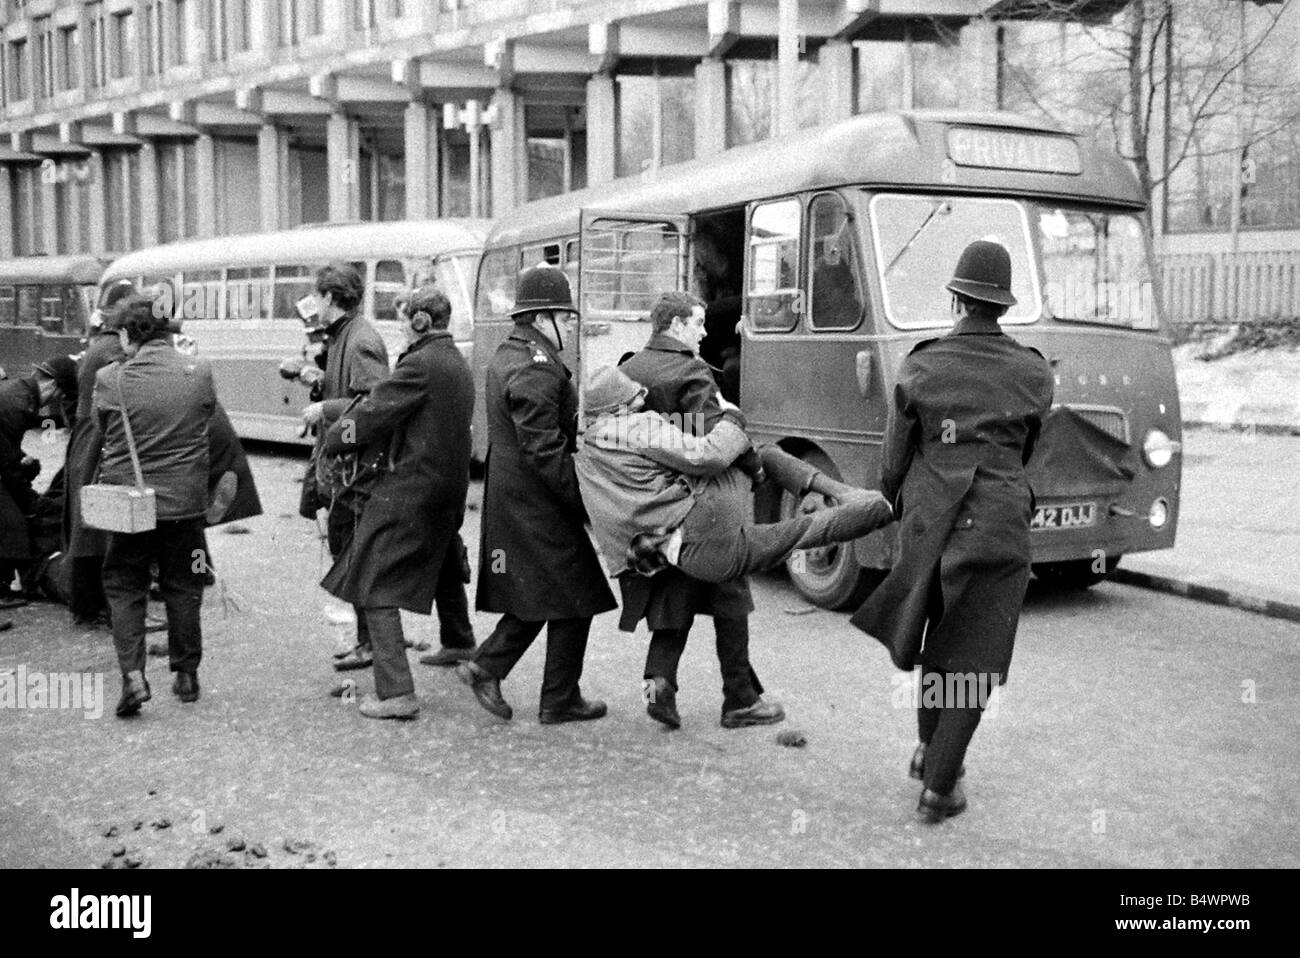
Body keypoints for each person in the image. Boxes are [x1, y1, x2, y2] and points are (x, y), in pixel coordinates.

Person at [850, 240, 1054, 824]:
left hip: (928, 522)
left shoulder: (920, 364)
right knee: (976, 657)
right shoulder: (1034, 373)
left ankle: (927, 749)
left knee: (937, 638)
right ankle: (940, 787)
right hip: (996, 524)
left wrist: (892, 502)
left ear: (957, 297)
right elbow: (1028, 451)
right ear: (1003, 306)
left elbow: (893, 460)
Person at [577, 366, 892, 726]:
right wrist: (732, 417)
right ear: (618, 407)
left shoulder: (588, 448)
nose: (642, 401)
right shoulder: (652, 411)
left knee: (677, 612)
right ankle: (874, 505)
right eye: (634, 398)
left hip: (663, 547)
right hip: (708, 522)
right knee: (774, 474)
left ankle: (657, 685)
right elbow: (707, 455)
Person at [458, 265, 616, 724]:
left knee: (556, 592)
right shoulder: (535, 366)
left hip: (518, 494)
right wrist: (587, 501)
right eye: (566, 317)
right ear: (543, 316)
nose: (570, 325)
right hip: (535, 498)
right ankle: (532, 686)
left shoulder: (513, 354)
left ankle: (523, 681)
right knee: (573, 590)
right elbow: (544, 448)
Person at [618, 291, 782, 730]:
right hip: (702, 509)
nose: (705, 332)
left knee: (671, 598)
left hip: (649, 512)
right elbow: (717, 441)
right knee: (732, 597)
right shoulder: (692, 374)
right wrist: (755, 464)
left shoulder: (627, 370)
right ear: (675, 325)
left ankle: (656, 688)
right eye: (698, 323)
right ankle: (740, 701)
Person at [317, 286, 476, 720]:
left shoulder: (420, 364)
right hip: (448, 488)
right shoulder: (455, 361)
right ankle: (460, 641)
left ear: (421, 321)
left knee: (371, 579)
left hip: (413, 489)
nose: (401, 328)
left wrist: (336, 438)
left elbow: (372, 413)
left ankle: (396, 692)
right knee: (442, 558)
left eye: (405, 319)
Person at [94, 293, 217, 717]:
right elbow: (206, 419)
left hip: (132, 505)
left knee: (125, 585)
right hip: (186, 506)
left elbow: (102, 428)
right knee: (186, 584)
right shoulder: (198, 371)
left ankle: (133, 677)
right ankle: (186, 676)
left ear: (130, 334)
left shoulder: (112, 379)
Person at [297, 263, 389, 673]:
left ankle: (372, 645)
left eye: (317, 296)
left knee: (355, 557)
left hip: (356, 473)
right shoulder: (344, 336)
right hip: (344, 468)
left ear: (331, 298)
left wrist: (324, 408)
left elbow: (374, 402)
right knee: (348, 555)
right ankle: (369, 641)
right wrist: (319, 381)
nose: (314, 303)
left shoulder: (361, 339)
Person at [63, 279, 135, 625]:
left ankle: (87, 603)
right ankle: (97, 604)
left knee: (86, 520)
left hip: (87, 435)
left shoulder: (99, 344)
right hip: (97, 436)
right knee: (100, 521)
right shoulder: (113, 351)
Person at [0, 360, 74, 608]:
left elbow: (7, 451)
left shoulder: (19, 392)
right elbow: (8, 468)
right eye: (59, 394)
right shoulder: (20, 404)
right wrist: (30, 504)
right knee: (14, 522)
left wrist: (22, 461)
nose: (55, 400)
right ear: (52, 385)